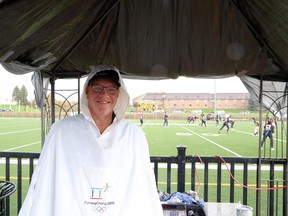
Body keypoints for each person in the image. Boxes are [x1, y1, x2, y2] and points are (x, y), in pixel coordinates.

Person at [19, 65, 163, 216]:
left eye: (111, 89)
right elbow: (42, 182)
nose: (104, 94)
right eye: (98, 88)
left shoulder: (134, 136)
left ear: (119, 94)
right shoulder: (61, 132)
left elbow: (145, 190)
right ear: (87, 91)